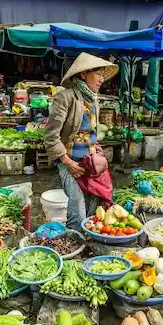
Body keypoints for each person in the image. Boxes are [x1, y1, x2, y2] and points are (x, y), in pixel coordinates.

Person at [45, 53, 119, 230]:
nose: (102, 79)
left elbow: (91, 133)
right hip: (71, 163)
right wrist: (67, 162)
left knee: (94, 206)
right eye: (98, 74)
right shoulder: (66, 98)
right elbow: (50, 135)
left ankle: (89, 240)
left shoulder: (94, 100)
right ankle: (74, 240)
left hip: (90, 163)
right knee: (77, 208)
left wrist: (98, 152)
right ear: (83, 74)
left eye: (103, 75)